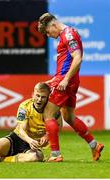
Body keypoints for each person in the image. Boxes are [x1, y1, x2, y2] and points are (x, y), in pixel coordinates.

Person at [38, 13, 104, 162]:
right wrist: (56, 79)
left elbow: (78, 57)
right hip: (67, 80)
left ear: (53, 25)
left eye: (47, 32)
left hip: (66, 82)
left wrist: (65, 79)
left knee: (48, 114)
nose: (48, 35)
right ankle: (94, 145)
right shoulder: (66, 34)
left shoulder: (69, 35)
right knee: (68, 116)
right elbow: (66, 61)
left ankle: (55, 154)